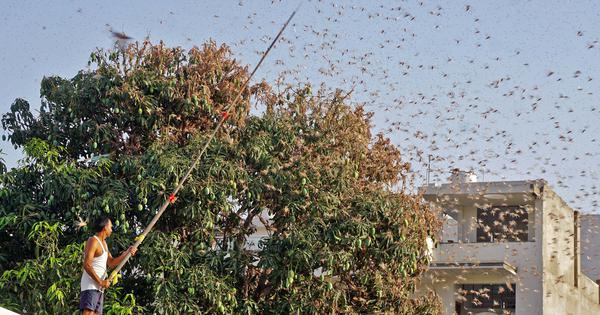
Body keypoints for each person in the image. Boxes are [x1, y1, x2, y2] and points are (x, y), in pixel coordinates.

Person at [80, 217, 137, 315]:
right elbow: (87, 265)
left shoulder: (104, 244)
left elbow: (111, 263)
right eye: (110, 226)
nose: (111, 229)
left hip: (99, 287)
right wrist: (101, 282)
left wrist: (127, 253)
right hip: (91, 286)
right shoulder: (93, 241)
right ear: (105, 227)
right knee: (89, 313)